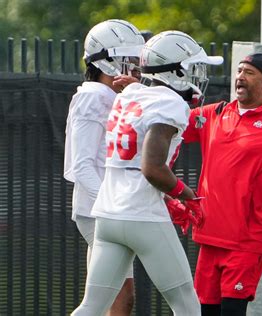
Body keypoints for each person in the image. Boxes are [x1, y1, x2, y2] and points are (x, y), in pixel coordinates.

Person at [71, 30, 223, 316]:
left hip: (108, 214)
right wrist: (186, 195)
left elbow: (133, 166)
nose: (198, 74)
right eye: (193, 67)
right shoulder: (168, 103)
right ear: (176, 70)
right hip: (142, 214)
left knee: (91, 307)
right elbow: (151, 168)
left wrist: (169, 199)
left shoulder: (129, 94)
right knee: (187, 305)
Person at [181, 52, 262, 315]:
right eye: (239, 71)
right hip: (210, 237)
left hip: (247, 241)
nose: (240, 77)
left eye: (249, 73)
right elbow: (168, 121)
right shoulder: (215, 113)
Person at [64, 19, 145, 315]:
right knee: (117, 297)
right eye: (128, 59)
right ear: (107, 60)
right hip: (99, 211)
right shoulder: (93, 96)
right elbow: (82, 165)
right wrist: (111, 203)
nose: (134, 66)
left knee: (107, 298)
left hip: (103, 209)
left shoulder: (110, 96)